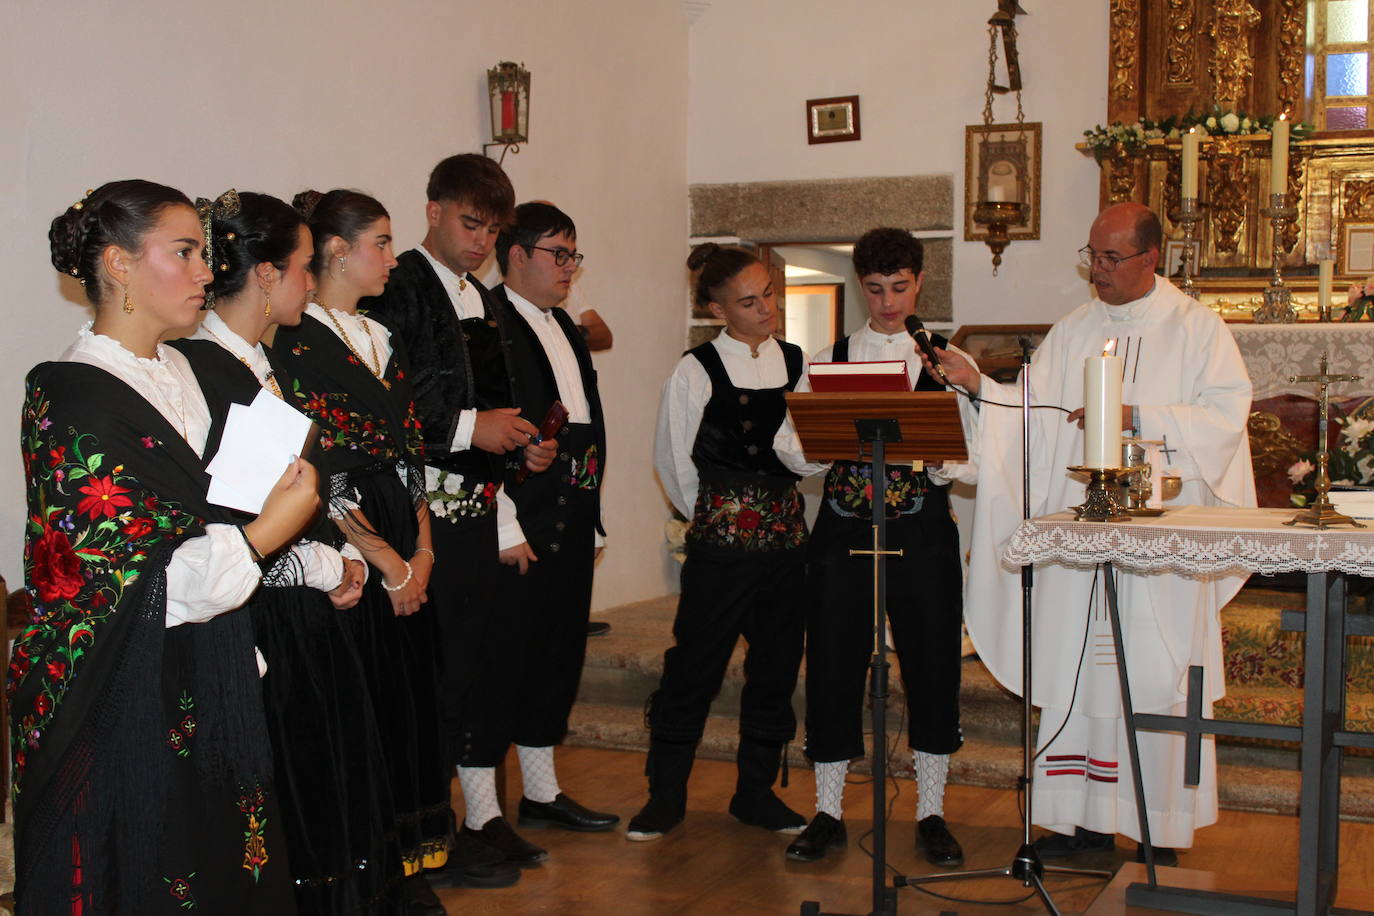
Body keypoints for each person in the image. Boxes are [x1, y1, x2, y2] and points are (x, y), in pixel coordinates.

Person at [14, 179, 318, 913]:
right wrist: (267, 533)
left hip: (212, 668)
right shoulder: (72, 394)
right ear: (118, 265)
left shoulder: (199, 369)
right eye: (183, 252)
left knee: (221, 867)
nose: (207, 272)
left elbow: (260, 480)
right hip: (124, 689)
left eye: (205, 254)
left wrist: (287, 510)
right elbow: (137, 575)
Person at [928, 202, 1255, 864]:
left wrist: (1141, 417)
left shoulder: (1198, 330)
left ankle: (1157, 826)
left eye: (1110, 259)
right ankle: (1081, 819)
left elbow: (1225, 418)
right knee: (1079, 666)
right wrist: (979, 386)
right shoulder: (1075, 330)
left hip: (1163, 548)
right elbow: (1035, 417)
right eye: (1092, 257)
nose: (1097, 272)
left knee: (1156, 671)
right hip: (1086, 540)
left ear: (1150, 257)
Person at [168, 190, 407, 914]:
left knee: (335, 777)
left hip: (301, 605)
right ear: (267, 275)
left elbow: (305, 487)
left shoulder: (258, 364)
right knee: (295, 790)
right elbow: (232, 519)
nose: (312, 283)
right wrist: (326, 562)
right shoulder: (211, 372)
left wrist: (361, 552)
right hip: (262, 613)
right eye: (304, 267)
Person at [277, 189, 511, 914]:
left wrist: (426, 550)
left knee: (415, 702)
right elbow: (321, 469)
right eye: (379, 241)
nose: (391, 254)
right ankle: (367, 873)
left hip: (405, 533)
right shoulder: (295, 341)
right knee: (365, 712)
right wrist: (388, 564)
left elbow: (412, 453)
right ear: (337, 250)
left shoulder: (380, 335)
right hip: (344, 534)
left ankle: (409, 867)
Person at [359, 154, 558, 876]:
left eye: (493, 229)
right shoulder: (399, 289)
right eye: (471, 223)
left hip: (476, 510)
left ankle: (479, 818)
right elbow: (383, 409)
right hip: (421, 516)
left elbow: (491, 405)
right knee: (436, 682)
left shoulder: (482, 295)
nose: (481, 241)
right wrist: (472, 431)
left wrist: (515, 451)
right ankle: (426, 836)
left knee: (477, 673)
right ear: (434, 209)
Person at [786, 229, 970, 866]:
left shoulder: (945, 359)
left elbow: (970, 458)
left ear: (920, 282)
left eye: (900, 287)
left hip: (920, 531)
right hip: (842, 525)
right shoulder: (829, 355)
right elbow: (789, 446)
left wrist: (942, 453)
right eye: (874, 288)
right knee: (833, 660)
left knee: (931, 661)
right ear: (860, 285)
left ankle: (932, 813)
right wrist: (820, 435)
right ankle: (828, 811)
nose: (889, 302)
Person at [630, 243, 821, 841]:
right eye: (748, 300)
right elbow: (673, 459)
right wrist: (720, 516)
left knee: (775, 670)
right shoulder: (695, 369)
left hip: (788, 547)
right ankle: (664, 797)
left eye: (769, 292)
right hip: (721, 548)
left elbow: (810, 454)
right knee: (694, 667)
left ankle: (756, 793)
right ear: (718, 309)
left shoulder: (800, 362)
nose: (766, 307)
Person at [476, 201, 618, 837]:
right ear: (517, 255)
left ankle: (541, 793)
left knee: (555, 657)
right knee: (500, 660)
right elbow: (473, 431)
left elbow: (584, 431)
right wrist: (505, 518)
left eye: (573, 255)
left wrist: (591, 521)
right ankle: (481, 814)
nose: (569, 267)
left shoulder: (563, 323)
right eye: (558, 254)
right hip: (515, 519)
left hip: (570, 513)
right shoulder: (485, 323)